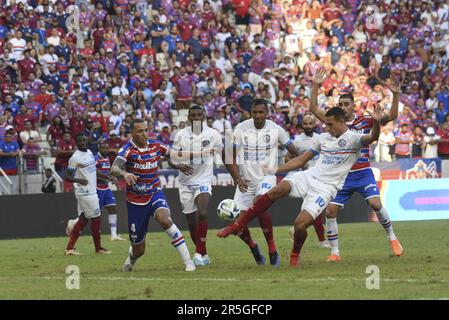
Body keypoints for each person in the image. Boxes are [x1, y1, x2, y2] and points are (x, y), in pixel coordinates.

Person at [217, 106, 382, 268]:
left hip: (326, 189)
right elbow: (301, 160)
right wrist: (275, 169)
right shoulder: (322, 138)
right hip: (309, 176)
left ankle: (295, 254)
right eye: (325, 124)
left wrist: (376, 123)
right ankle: (236, 226)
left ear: (340, 122)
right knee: (276, 190)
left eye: (330, 124)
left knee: (300, 225)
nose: (326, 127)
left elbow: (372, 137)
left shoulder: (354, 139)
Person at [309, 67, 403, 261]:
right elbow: (313, 109)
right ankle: (335, 253)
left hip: (362, 172)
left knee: (375, 203)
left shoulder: (365, 120)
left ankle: (392, 237)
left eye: (346, 104)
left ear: (353, 106)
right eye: (340, 104)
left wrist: (395, 95)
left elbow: (392, 116)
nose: (343, 107)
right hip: (341, 176)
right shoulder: (332, 121)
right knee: (331, 210)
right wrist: (316, 85)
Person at [110, 119, 210, 272]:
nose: (144, 134)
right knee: (139, 250)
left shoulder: (156, 145)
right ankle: (131, 258)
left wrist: (179, 164)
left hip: (155, 193)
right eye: (140, 131)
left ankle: (188, 262)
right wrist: (125, 173)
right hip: (136, 202)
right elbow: (114, 168)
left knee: (165, 220)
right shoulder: (127, 150)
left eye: (145, 130)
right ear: (132, 133)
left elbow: (173, 155)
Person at [224, 98, 300, 266]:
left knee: (260, 203)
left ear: (267, 113)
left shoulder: (276, 129)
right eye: (254, 112)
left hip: (266, 177)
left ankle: (272, 249)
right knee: (238, 224)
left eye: (261, 112)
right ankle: (253, 247)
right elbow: (228, 156)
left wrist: (284, 162)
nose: (258, 115)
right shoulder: (241, 129)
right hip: (246, 181)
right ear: (251, 113)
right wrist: (237, 178)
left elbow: (294, 151)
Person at [169, 105, 223, 266]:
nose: (196, 117)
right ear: (188, 118)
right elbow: (171, 158)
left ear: (204, 116)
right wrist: (179, 166)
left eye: (199, 114)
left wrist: (238, 175)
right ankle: (203, 253)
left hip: (204, 180)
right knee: (191, 221)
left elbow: (225, 154)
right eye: (193, 115)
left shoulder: (213, 134)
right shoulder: (181, 135)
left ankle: (198, 253)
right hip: (185, 183)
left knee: (202, 212)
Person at [64, 134, 113, 255]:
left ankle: (70, 248)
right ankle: (98, 248)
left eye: (84, 140)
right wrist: (80, 180)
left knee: (84, 218)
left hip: (91, 191)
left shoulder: (90, 152)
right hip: (85, 192)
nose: (83, 143)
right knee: (96, 218)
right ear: (76, 143)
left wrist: (107, 176)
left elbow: (93, 170)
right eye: (80, 141)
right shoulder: (75, 157)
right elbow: (67, 176)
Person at [66, 142, 126, 241]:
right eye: (103, 148)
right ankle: (74, 222)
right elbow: (92, 173)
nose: (105, 150)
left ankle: (113, 235)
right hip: (97, 188)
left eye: (107, 148)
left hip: (106, 188)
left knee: (112, 209)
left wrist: (110, 178)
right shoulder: (94, 159)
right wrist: (106, 178)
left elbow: (106, 171)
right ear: (99, 149)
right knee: (91, 213)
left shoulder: (106, 158)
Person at [288, 114, 330, 249]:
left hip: (321, 178)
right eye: (305, 124)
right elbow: (288, 158)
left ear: (314, 125)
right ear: (302, 125)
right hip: (307, 179)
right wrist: (301, 162)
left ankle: (295, 230)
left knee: (315, 209)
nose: (308, 126)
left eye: (310, 123)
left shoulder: (320, 139)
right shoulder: (298, 140)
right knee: (315, 209)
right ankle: (322, 240)